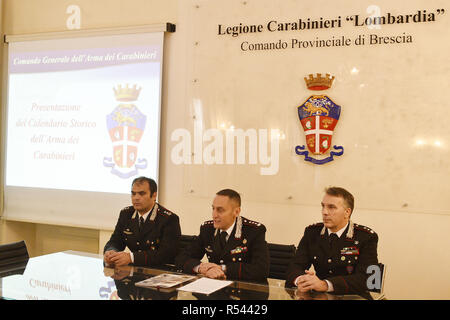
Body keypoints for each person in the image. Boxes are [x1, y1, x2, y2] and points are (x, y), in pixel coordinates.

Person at [286, 187, 379, 295]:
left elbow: (370, 280)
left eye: (331, 207)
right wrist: (301, 280)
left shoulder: (366, 237)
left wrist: (326, 285)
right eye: (323, 206)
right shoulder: (312, 233)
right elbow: (294, 266)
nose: (324, 212)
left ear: (347, 212)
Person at [175, 189, 269, 282]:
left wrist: (223, 268)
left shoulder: (254, 231)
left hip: (242, 290)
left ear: (236, 212)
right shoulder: (207, 229)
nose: (214, 215)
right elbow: (181, 258)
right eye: (213, 208)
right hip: (212, 288)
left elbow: (261, 270)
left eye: (220, 210)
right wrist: (201, 268)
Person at [103, 177, 181, 268]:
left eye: (141, 193)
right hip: (133, 271)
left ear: (154, 195)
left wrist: (131, 257)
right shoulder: (126, 214)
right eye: (133, 194)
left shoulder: (168, 219)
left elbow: (166, 254)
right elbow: (116, 241)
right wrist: (111, 252)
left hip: (159, 271)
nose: (136, 198)